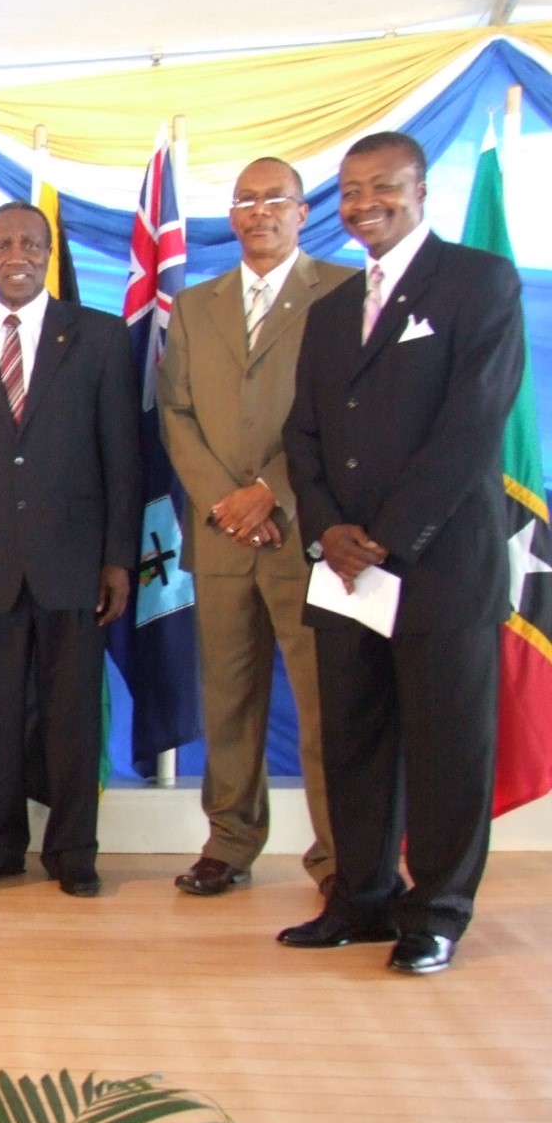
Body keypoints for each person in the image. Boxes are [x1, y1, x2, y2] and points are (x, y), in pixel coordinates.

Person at [278, 131, 525, 974]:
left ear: (421, 191)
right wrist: (328, 531)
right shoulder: (331, 309)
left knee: (447, 750)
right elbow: (302, 434)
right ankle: (361, 899)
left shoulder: (478, 282)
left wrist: (385, 537)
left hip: (438, 565)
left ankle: (438, 913)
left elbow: (472, 425)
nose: (364, 203)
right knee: (353, 744)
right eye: (350, 190)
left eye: (383, 186)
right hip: (345, 572)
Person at [159, 158, 350, 903]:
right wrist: (226, 501)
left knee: (325, 705)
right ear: (231, 215)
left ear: (303, 211)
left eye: (276, 199)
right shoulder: (194, 305)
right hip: (221, 539)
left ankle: (341, 856)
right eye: (246, 199)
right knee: (229, 701)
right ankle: (230, 843)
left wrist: (271, 492)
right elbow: (175, 415)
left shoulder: (342, 292)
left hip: (309, 536)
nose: (259, 211)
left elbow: (345, 410)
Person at [0, 202, 138, 898]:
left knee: (72, 717)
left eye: (30, 243)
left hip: (74, 562)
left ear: (49, 252)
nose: (16, 255)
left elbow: (123, 456)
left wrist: (117, 558)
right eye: (1, 245)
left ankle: (74, 851)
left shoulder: (99, 336)